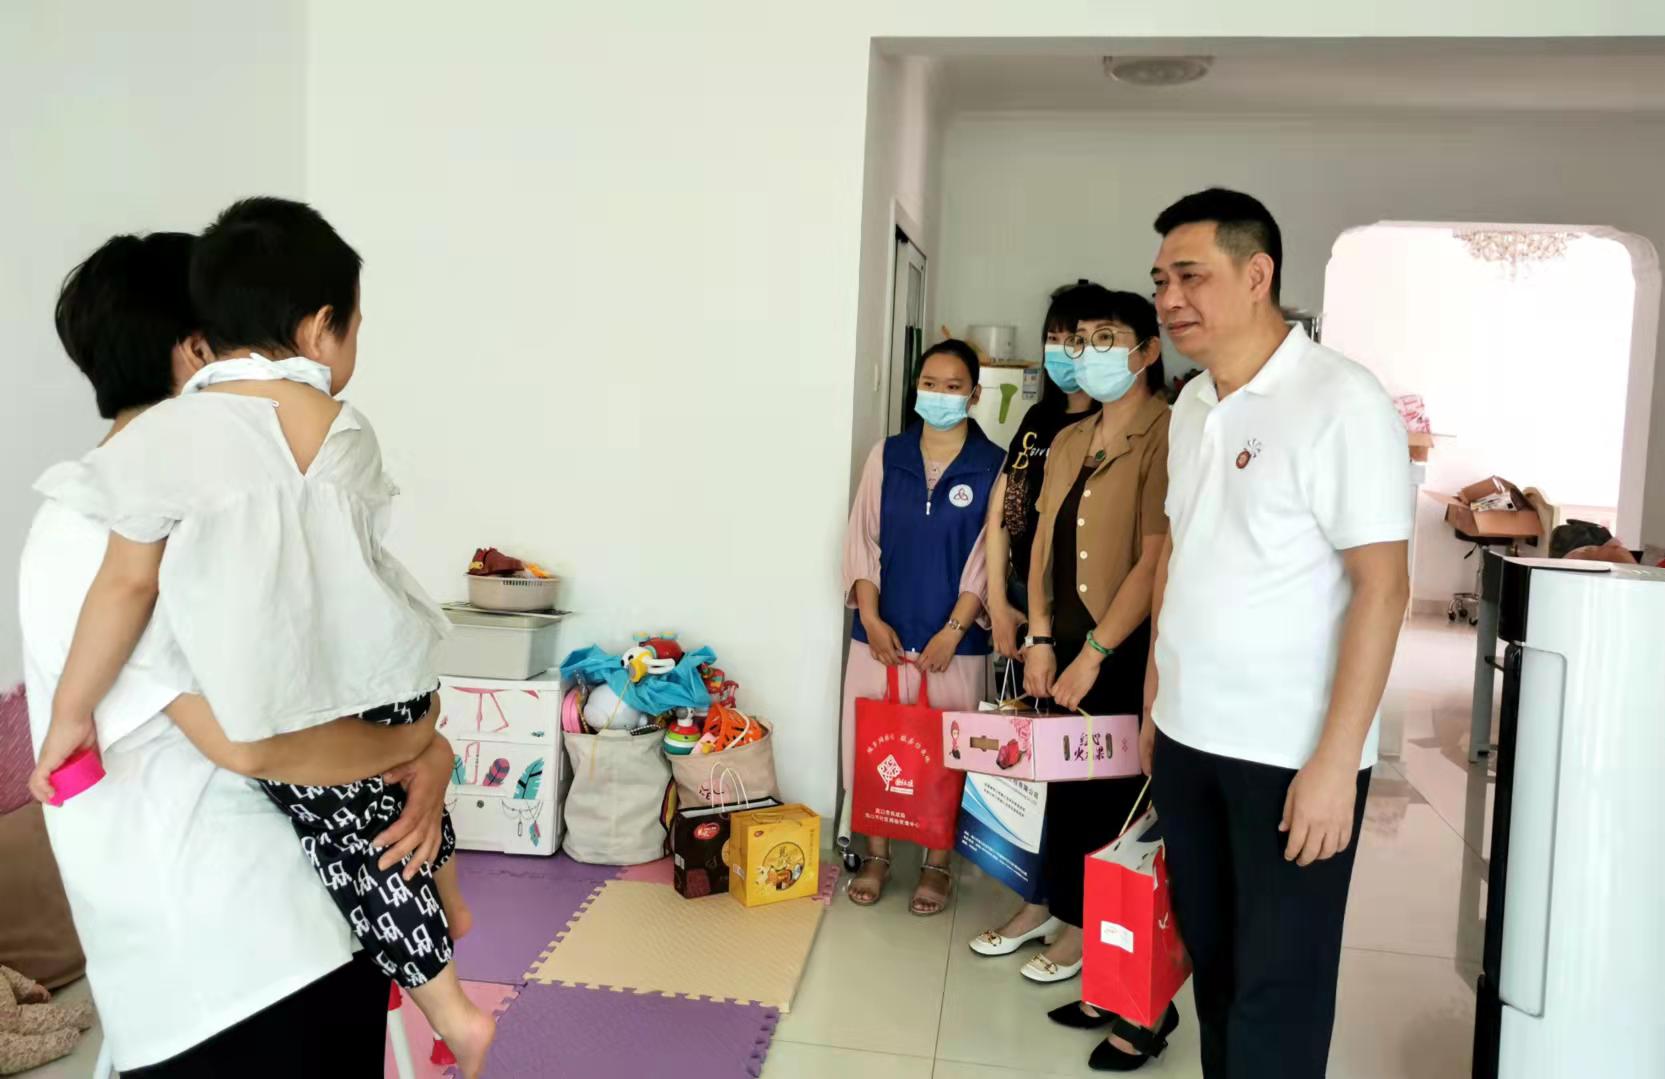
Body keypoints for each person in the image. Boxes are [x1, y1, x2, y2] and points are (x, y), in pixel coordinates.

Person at [28, 200, 495, 1076]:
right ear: (198, 349)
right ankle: (454, 996)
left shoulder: (191, 483)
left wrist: (423, 747)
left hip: (302, 933)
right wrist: (416, 739)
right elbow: (255, 743)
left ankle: (450, 968)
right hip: (236, 967)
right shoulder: (98, 519)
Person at [1144, 189, 1412, 1078]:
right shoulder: (1192, 405)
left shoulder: (1340, 400)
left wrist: (1335, 761)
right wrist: (1155, 702)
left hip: (1288, 752)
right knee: (1215, 972)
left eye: (1190, 276)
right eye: (1160, 281)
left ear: (1256, 274)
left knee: (1279, 987)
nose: (1170, 298)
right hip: (1188, 737)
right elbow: (1181, 553)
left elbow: (1382, 587)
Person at [1019, 289, 1176, 1073]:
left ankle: (1145, 1007)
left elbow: (1154, 558)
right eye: (1080, 340)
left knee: (1125, 833)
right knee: (1077, 819)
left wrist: (1095, 653)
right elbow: (1041, 544)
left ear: (1146, 351)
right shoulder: (1069, 436)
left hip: (1122, 656)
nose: (1087, 353)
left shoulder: (1166, 431)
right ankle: (1104, 982)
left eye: (1106, 338)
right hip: (1062, 652)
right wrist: (1040, 636)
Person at [841, 339, 1003, 915]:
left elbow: (989, 557)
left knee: (948, 751)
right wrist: (870, 617)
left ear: (974, 395)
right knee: (873, 744)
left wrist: (954, 630)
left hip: (956, 641)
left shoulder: (994, 464)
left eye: (953, 386)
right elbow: (863, 538)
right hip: (881, 634)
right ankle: (877, 854)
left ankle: (938, 864)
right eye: (929, 384)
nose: (939, 395)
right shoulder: (887, 456)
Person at [968, 282, 1103, 959]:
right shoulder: (1036, 418)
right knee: (1031, 765)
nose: (1061, 350)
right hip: (1024, 609)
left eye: (1076, 338)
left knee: (1083, 776)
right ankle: (1039, 901)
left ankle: (1079, 917)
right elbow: (1002, 513)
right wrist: (998, 601)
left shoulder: (1115, 424)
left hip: (1084, 622)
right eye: (1053, 336)